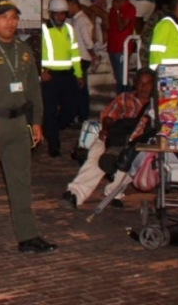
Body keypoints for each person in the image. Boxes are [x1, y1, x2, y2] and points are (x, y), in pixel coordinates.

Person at [0, 0, 56, 253]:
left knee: (21, 182)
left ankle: (28, 236)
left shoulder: (24, 49)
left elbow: (34, 89)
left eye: (14, 17)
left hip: (18, 124)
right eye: (3, 17)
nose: (10, 22)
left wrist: (37, 121)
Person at [59, 69, 155, 210]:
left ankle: (113, 193)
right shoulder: (124, 98)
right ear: (135, 83)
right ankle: (74, 194)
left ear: (154, 85)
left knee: (130, 161)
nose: (143, 87)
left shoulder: (158, 105)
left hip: (138, 143)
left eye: (148, 84)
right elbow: (108, 114)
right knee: (96, 155)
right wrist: (105, 128)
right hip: (116, 137)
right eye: (140, 83)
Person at [40, 0, 84, 157]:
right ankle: (53, 143)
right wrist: (41, 71)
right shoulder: (43, 30)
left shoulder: (69, 29)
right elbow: (35, 53)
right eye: (57, 14)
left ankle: (51, 129)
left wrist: (79, 74)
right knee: (50, 111)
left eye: (63, 14)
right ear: (50, 13)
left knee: (72, 108)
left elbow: (75, 54)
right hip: (50, 76)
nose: (60, 17)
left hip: (67, 75)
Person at [67, 0, 95, 122]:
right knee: (78, 90)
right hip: (79, 58)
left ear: (74, 5)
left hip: (82, 58)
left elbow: (88, 42)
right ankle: (79, 115)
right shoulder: (76, 20)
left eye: (68, 6)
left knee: (80, 90)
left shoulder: (82, 20)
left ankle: (83, 117)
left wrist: (92, 54)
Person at [106, 0, 136, 94]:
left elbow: (121, 27)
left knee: (122, 77)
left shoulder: (130, 8)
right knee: (118, 77)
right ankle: (121, 102)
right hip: (113, 46)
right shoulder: (113, 9)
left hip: (122, 47)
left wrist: (118, 11)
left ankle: (125, 102)